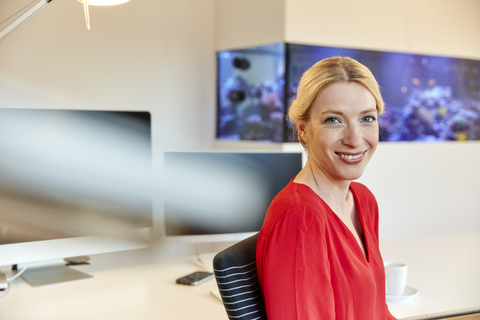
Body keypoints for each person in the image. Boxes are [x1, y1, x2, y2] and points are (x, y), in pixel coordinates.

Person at [256, 56, 396, 320]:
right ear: (303, 129)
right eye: (334, 120)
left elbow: (379, 312)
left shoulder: (363, 200)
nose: (355, 139)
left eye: (367, 118)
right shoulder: (300, 218)